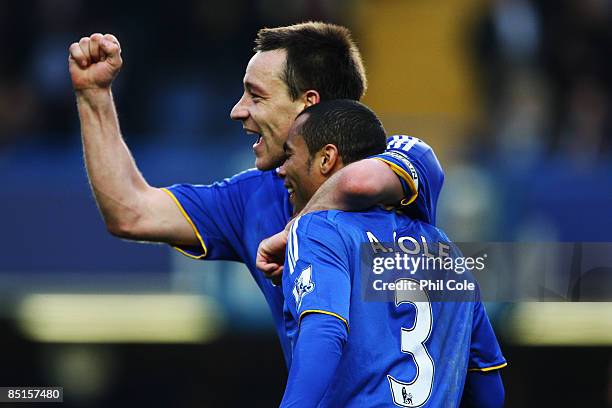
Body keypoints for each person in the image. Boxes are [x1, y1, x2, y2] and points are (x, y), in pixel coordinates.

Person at [68, 22, 432, 366]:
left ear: (307, 104)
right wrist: (94, 96)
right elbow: (130, 213)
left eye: (255, 96)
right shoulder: (251, 197)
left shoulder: (402, 158)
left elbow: (358, 183)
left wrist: (298, 230)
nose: (237, 111)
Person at [278, 100, 506, 407]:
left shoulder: (320, 228)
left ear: (326, 158)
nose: (281, 169)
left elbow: (325, 330)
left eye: (289, 153)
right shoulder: (445, 249)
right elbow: (488, 384)